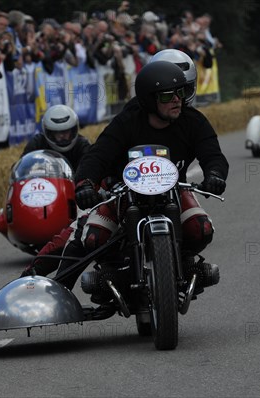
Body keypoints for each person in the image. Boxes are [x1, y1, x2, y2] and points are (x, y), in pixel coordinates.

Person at [53, 61, 229, 300]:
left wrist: (215, 175)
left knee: (201, 228)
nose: (177, 99)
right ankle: (114, 272)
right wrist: (85, 183)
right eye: (168, 96)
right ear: (149, 100)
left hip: (173, 192)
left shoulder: (193, 121)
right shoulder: (127, 121)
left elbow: (213, 154)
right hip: (125, 194)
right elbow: (97, 155)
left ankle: (185, 263)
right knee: (93, 236)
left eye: (181, 92)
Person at [16, 104, 91, 277]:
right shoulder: (37, 143)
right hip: (44, 194)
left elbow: (91, 170)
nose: (63, 136)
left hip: (70, 196)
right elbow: (22, 168)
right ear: (48, 133)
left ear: (74, 130)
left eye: (66, 131)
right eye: (58, 133)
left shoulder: (82, 145)